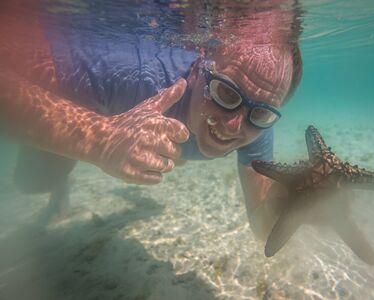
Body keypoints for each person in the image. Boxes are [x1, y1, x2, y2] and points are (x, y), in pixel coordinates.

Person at [0, 0, 303, 240]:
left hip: (164, 131)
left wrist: (302, 206)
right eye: (226, 92)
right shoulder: (136, 76)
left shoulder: (257, 120)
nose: (235, 126)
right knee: (32, 183)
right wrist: (100, 139)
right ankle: (61, 179)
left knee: (178, 149)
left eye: (261, 112)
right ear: (199, 66)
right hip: (82, 104)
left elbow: (265, 230)